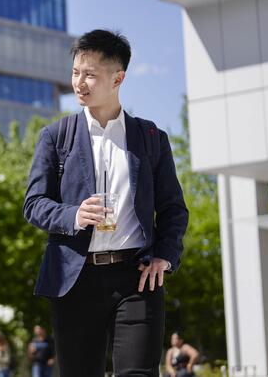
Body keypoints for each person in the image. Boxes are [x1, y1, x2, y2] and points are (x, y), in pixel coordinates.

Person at [23, 29, 189, 377]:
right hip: (74, 278)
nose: (79, 83)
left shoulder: (150, 138)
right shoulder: (56, 137)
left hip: (137, 277)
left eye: (90, 75)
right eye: (75, 73)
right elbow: (34, 204)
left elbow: (173, 207)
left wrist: (165, 255)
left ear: (118, 78)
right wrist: (73, 214)